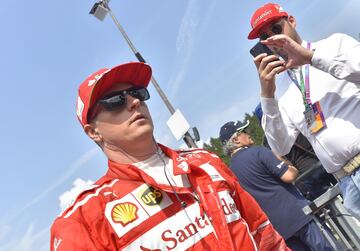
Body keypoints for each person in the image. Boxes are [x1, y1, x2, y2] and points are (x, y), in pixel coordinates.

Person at [50, 62, 289, 251]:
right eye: (115, 101)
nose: (134, 102)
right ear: (93, 132)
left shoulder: (206, 162)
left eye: (137, 93)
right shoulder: (84, 219)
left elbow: (265, 235)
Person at [248, 2, 360, 220]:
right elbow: (281, 146)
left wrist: (310, 58)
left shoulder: (334, 44)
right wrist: (267, 96)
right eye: (265, 37)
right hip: (346, 183)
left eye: (276, 29)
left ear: (291, 21)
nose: (273, 40)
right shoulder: (283, 92)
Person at [219, 120, 334, 251]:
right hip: (300, 215)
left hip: (278, 229)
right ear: (236, 140)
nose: (248, 133)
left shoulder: (228, 172)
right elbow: (289, 176)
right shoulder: (258, 152)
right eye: (243, 131)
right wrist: (287, 163)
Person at [254, 103, 337, 201]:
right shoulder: (292, 119)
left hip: (305, 175)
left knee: (333, 206)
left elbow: (281, 161)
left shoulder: (267, 141)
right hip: (324, 161)